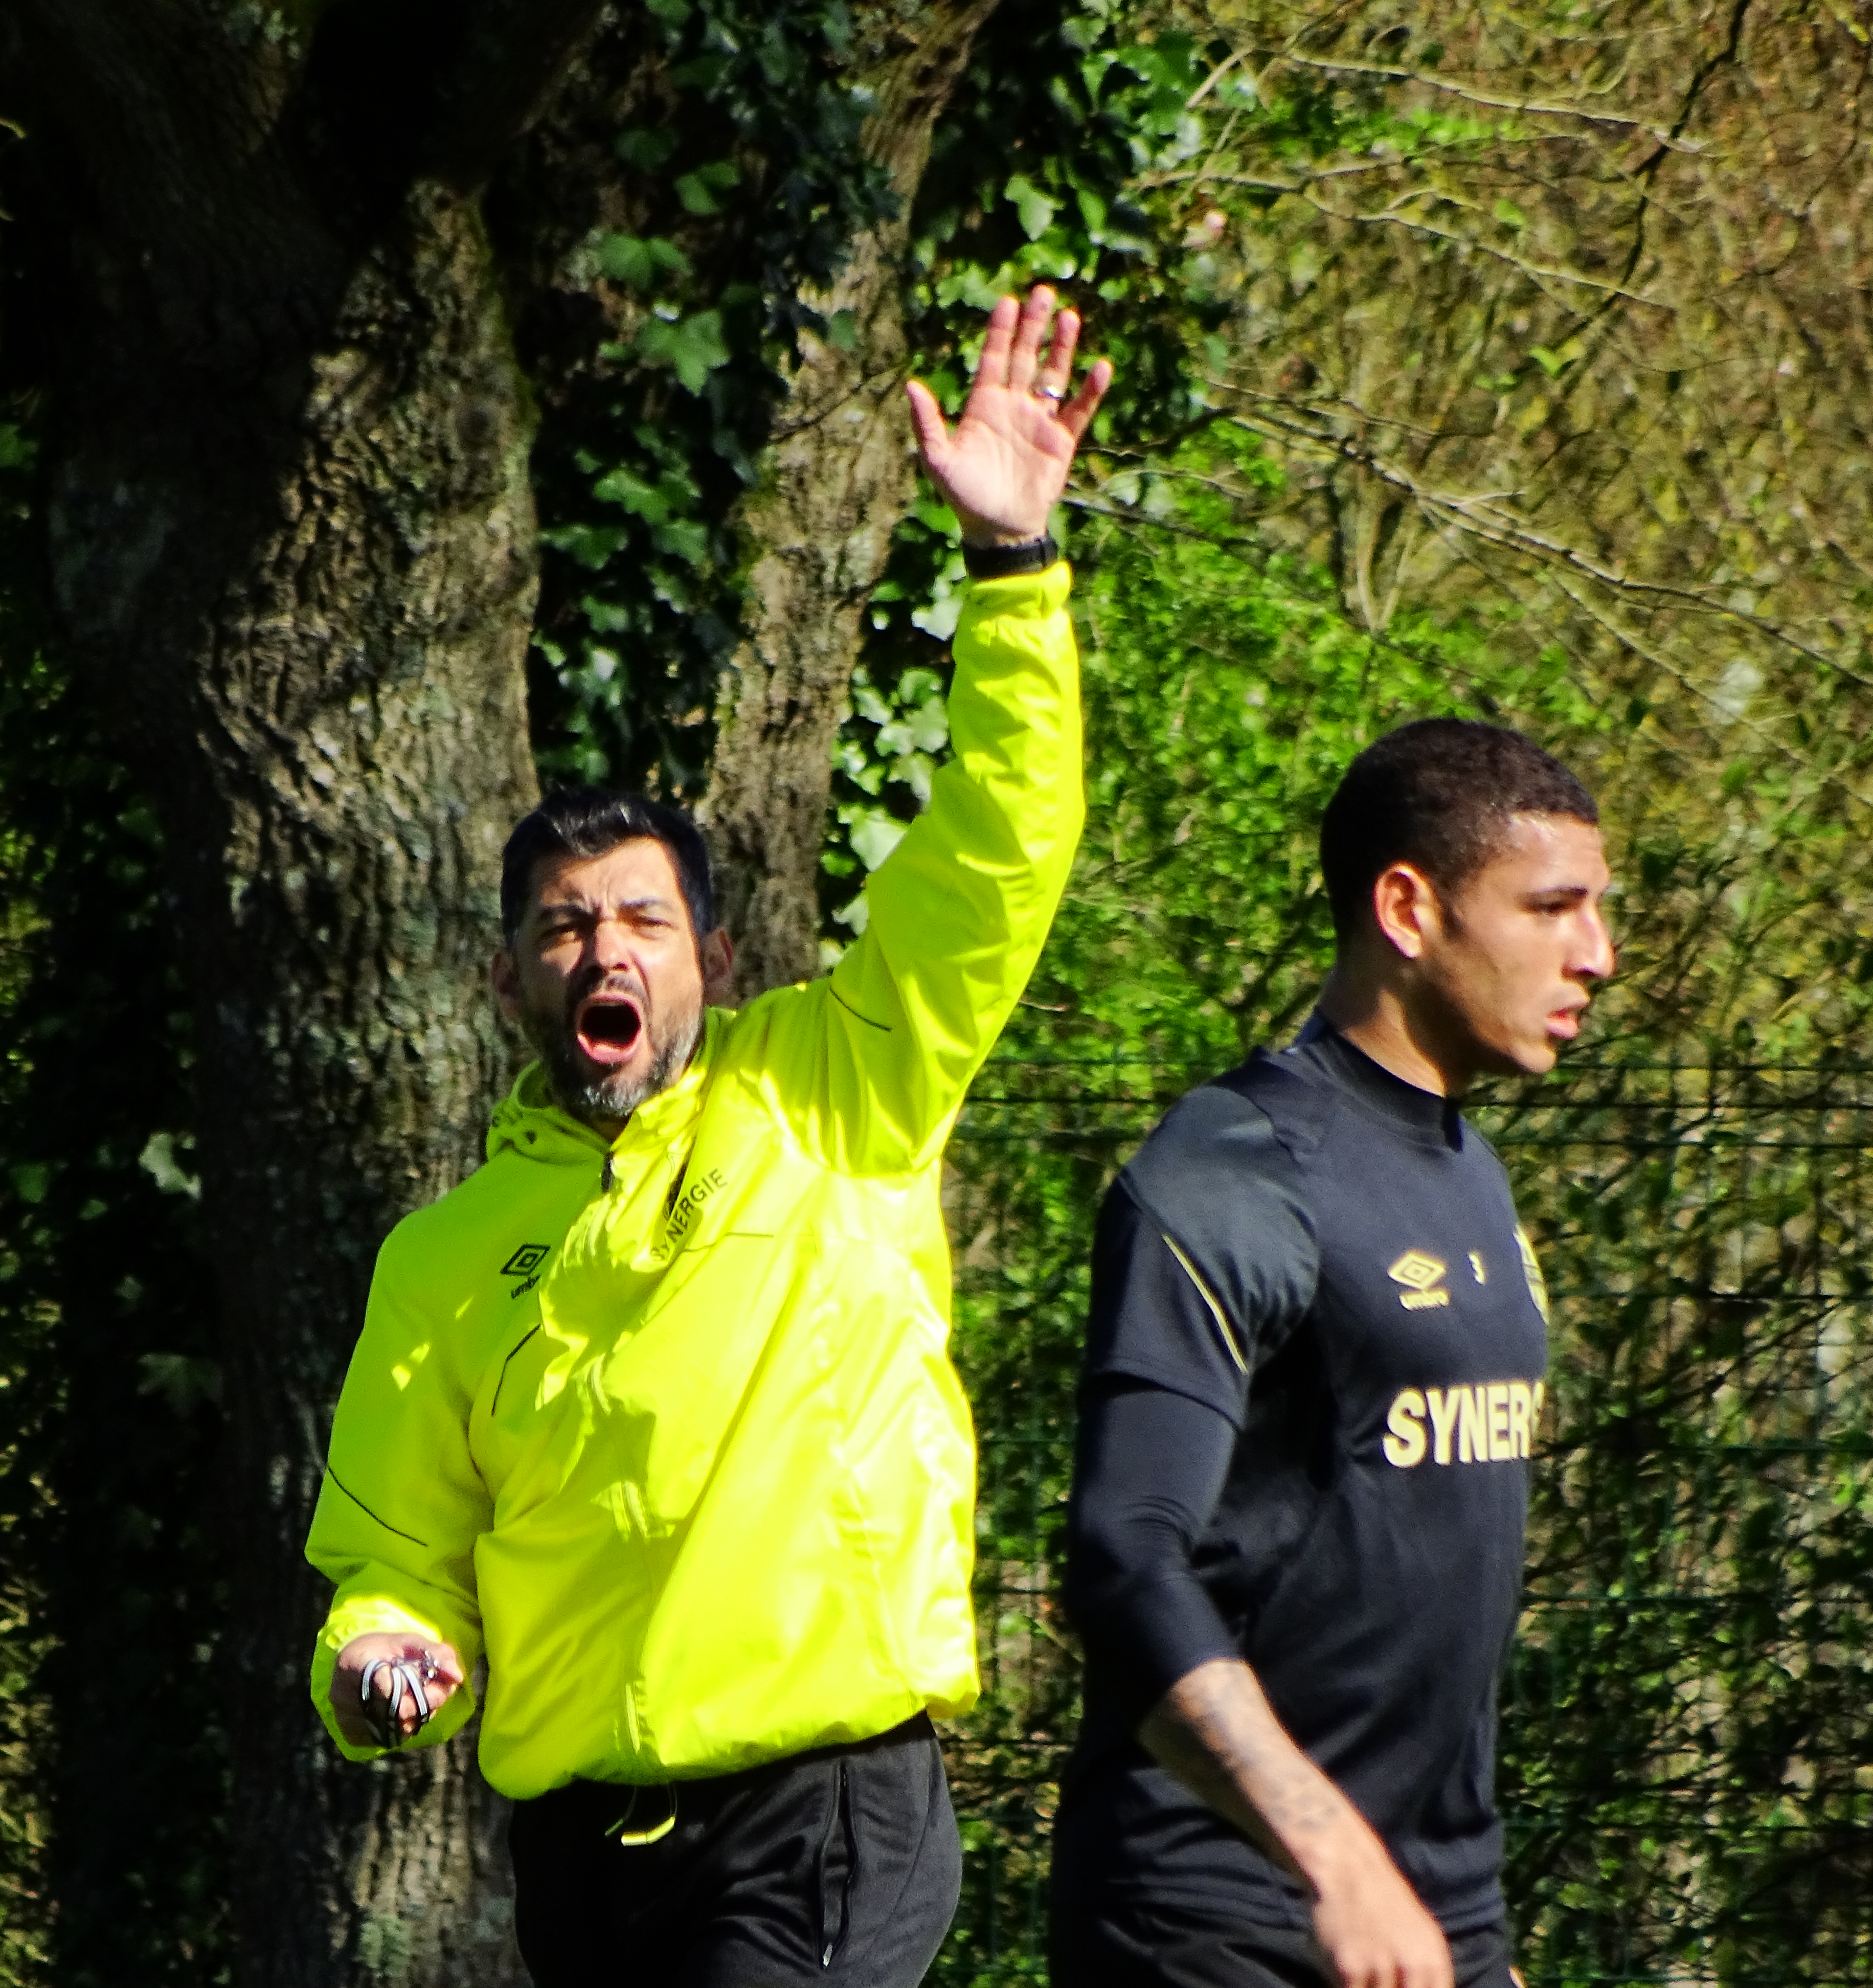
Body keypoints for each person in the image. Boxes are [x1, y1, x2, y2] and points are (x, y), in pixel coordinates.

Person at [299, 287, 1110, 1988]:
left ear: (714, 958)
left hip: (815, 1813)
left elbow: (993, 860)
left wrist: (1015, 568)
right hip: (581, 1855)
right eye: (565, 925)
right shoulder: (443, 1259)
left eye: (645, 921)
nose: (606, 952)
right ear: (513, 973)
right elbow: (389, 1555)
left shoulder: (840, 1085)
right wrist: (376, 1656)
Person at [1047, 720, 1617, 1988]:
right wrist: (1334, 1858)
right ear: (1409, 909)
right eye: (1553, 907)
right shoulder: (1231, 1171)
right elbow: (1120, 1555)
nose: (1599, 955)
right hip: (1216, 1919)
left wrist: (1471, 1929)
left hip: (1430, 1925)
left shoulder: (1473, 1174)